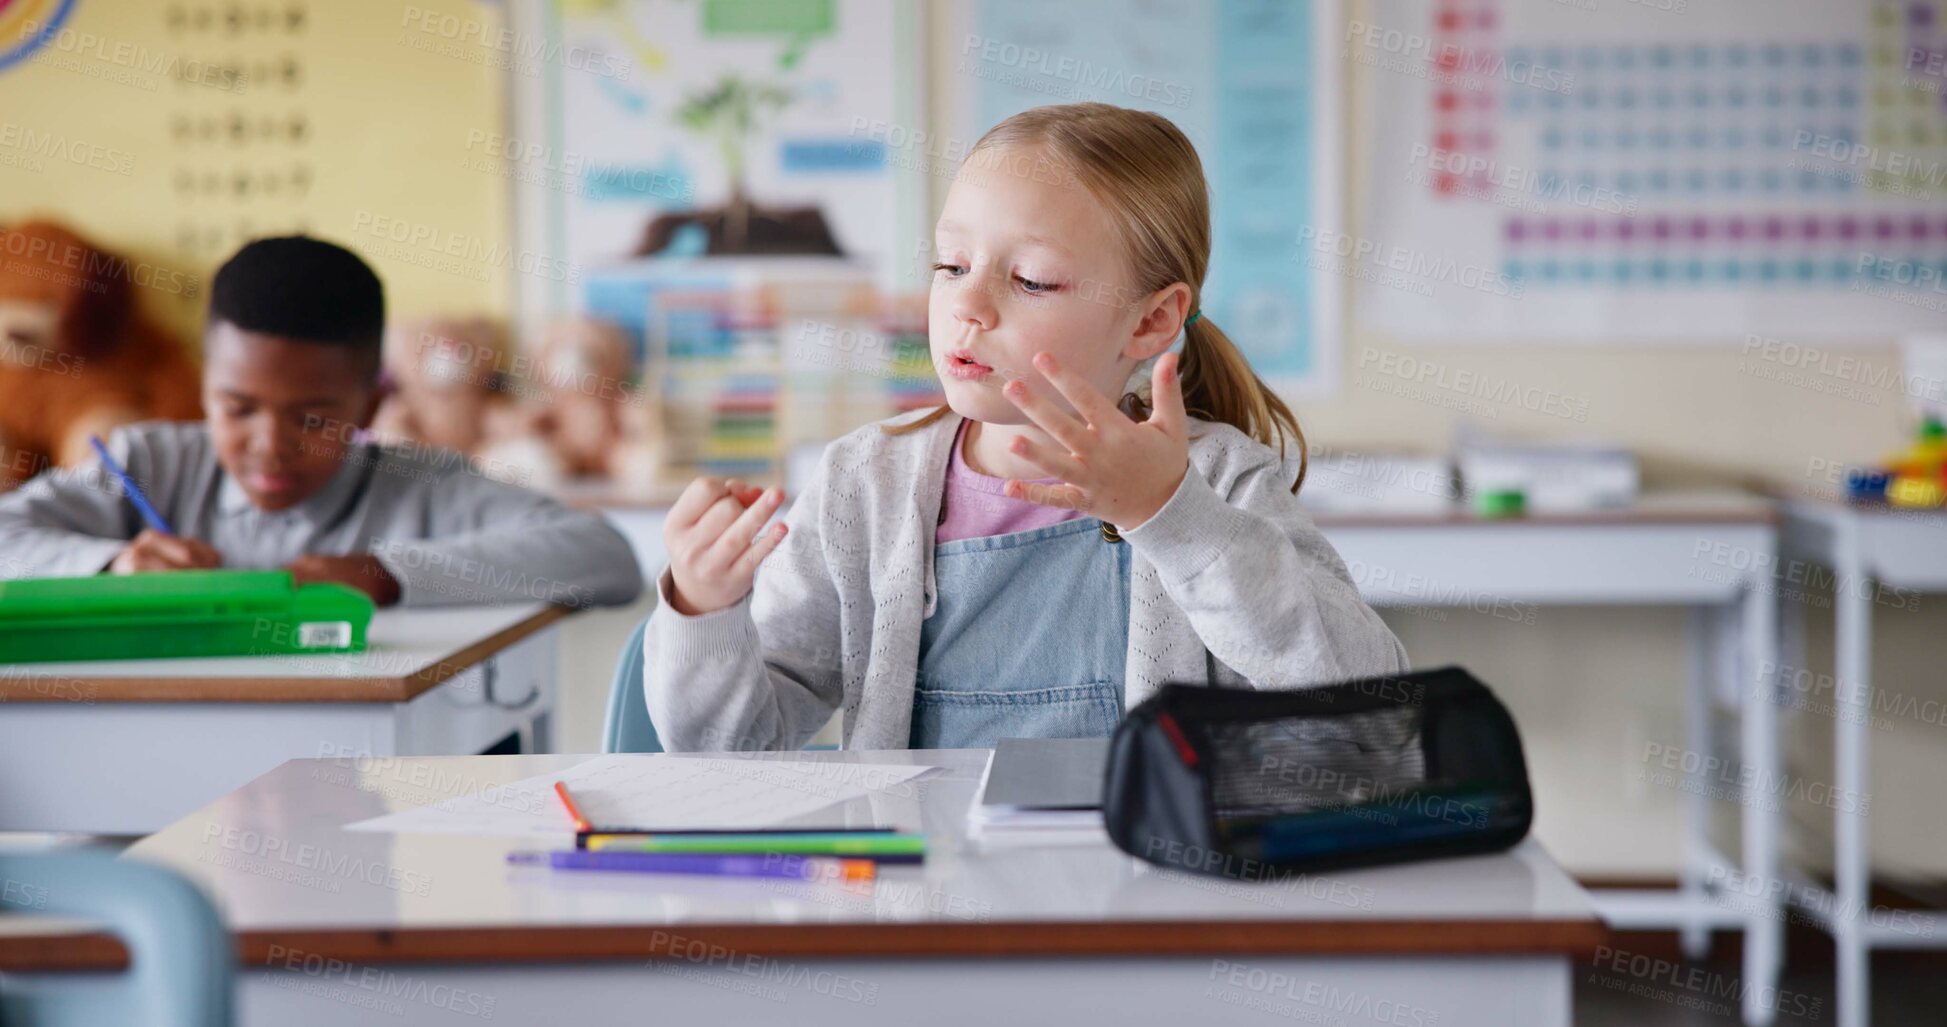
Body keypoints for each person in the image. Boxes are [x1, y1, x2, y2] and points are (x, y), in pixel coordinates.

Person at [646, 102, 1406, 751]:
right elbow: (729, 745)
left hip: (1137, 898)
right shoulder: (863, 484)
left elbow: (1371, 711)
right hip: (926, 902)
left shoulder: (1212, 479)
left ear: (1150, 320)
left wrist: (1170, 515)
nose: (967, 305)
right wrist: (702, 610)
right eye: (950, 265)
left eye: (1030, 279)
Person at [0, 235, 643, 608]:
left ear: (367, 409)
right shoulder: (147, 465)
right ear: (203, 389)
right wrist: (115, 567)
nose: (269, 447)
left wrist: (386, 574)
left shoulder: (422, 485)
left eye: (311, 418)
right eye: (238, 407)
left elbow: (608, 557)